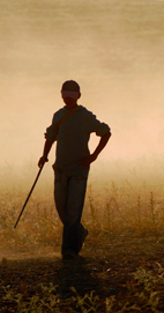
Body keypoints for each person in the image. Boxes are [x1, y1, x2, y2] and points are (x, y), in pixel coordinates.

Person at [38, 80, 111, 259]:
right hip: (60, 168)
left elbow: (106, 132)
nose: (68, 99)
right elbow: (50, 136)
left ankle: (69, 251)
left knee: (73, 210)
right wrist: (44, 156)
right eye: (65, 96)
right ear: (62, 95)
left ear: (78, 96)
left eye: (71, 96)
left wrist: (93, 156)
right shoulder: (58, 115)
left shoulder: (85, 116)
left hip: (79, 169)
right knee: (61, 208)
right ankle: (79, 232)